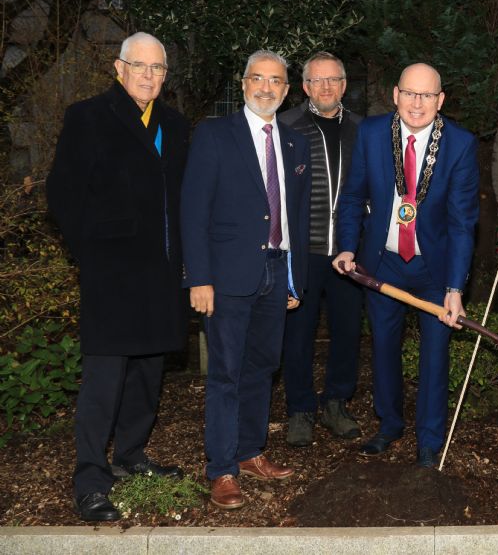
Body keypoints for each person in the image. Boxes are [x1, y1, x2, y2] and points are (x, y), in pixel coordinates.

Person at [47, 32, 188, 522]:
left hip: (160, 274)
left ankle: (130, 455)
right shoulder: (87, 117)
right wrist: (92, 255)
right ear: (118, 68)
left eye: (158, 69)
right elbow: (62, 195)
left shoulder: (175, 124)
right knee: (104, 380)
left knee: (148, 374)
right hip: (111, 274)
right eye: (140, 66)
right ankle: (90, 479)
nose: (149, 76)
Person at [180, 50, 311, 510]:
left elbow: (295, 217)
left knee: (262, 368)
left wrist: (294, 280)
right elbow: (193, 212)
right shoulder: (216, 135)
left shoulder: (295, 143)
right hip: (227, 276)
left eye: (276, 81)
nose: (266, 87)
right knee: (225, 375)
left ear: (286, 90)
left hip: (276, 273)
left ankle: (251, 451)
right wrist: (199, 277)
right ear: (243, 84)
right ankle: (221, 469)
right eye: (258, 78)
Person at [332, 62, 479, 470]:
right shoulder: (373, 133)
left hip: (435, 270)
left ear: (441, 100)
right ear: (395, 94)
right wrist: (347, 247)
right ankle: (389, 424)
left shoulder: (461, 145)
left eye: (427, 95)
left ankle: (429, 440)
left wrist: (455, 287)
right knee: (383, 347)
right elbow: (351, 196)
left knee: (435, 355)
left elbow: (463, 223)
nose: (417, 103)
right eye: (410, 93)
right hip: (383, 264)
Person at [279, 52, 364, 446]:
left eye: (334, 80)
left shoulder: (364, 131)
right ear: (305, 87)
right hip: (302, 252)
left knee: (347, 331)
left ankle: (336, 403)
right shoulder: (287, 126)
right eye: (317, 80)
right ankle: (299, 408)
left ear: (344, 85)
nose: (326, 87)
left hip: (348, 253)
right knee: (297, 333)